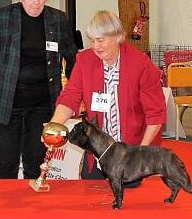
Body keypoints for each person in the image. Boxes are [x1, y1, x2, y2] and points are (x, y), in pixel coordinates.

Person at [0, 0, 77, 179]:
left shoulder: (58, 19)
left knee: (36, 161)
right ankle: (6, 209)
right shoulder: (2, 17)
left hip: (43, 103)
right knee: (6, 163)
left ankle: (33, 208)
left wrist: (74, 92)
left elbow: (73, 58)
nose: (36, 2)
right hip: (8, 104)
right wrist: (2, 83)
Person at [48, 10, 166, 185]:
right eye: (92, 40)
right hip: (96, 154)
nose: (95, 46)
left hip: (131, 153)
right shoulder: (84, 60)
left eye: (101, 40)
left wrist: (141, 154)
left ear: (118, 36)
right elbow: (70, 96)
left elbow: (156, 114)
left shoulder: (140, 63)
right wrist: (54, 126)